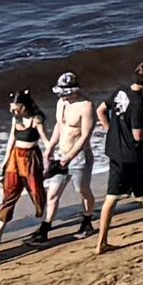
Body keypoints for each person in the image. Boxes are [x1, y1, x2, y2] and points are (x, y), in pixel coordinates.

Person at [90, 60, 143, 254]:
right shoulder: (138, 103)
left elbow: (100, 110)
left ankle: (101, 241)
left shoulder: (121, 90)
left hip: (114, 151)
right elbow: (138, 135)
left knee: (111, 197)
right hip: (132, 155)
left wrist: (111, 131)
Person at [0, 86, 53, 249]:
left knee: (36, 191)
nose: (13, 111)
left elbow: (45, 141)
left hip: (31, 157)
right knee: (9, 192)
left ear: (24, 107)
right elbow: (11, 140)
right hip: (15, 158)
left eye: (15, 108)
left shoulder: (36, 119)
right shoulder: (15, 120)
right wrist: (4, 161)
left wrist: (51, 157)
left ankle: (43, 223)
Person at [46, 70, 101, 232]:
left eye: (65, 94)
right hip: (61, 154)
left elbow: (85, 135)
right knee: (52, 193)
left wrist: (70, 157)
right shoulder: (62, 103)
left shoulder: (86, 106)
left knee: (82, 190)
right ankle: (45, 227)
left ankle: (87, 221)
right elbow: (59, 126)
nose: (63, 97)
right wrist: (49, 148)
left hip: (79, 157)